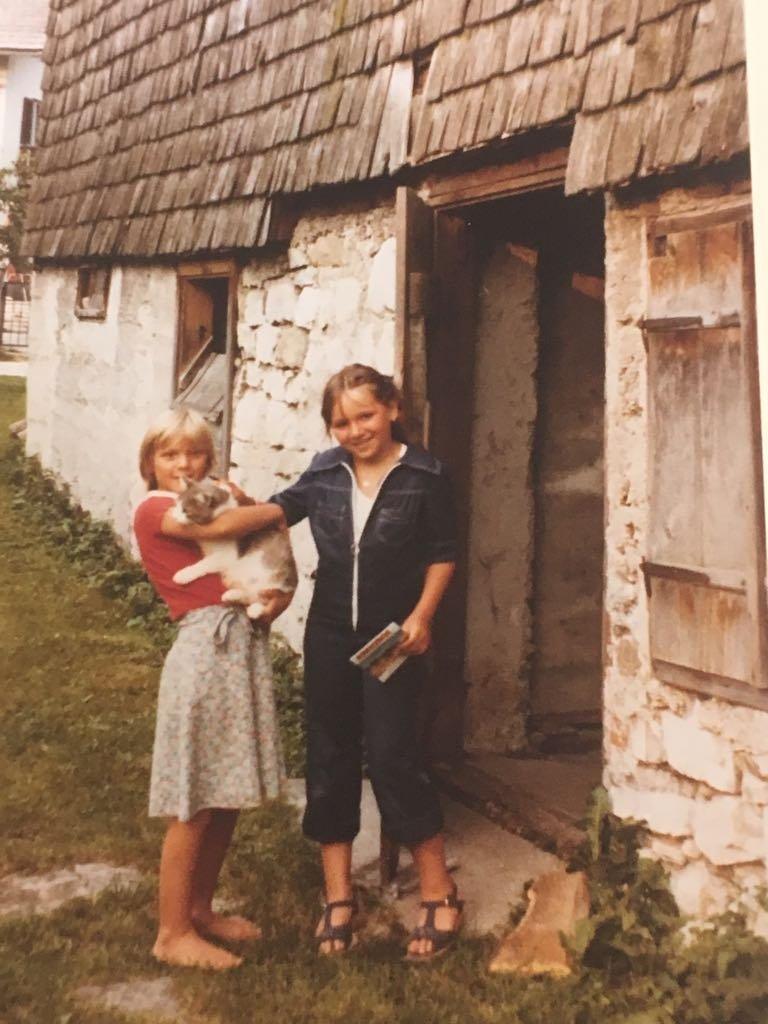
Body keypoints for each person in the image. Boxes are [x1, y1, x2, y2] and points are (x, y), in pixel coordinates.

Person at [269, 364, 463, 962]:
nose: (355, 430)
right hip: (328, 633)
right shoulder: (325, 471)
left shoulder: (425, 475)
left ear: (393, 408)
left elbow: (442, 552)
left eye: (366, 416)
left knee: (392, 754)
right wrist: (213, 512)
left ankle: (438, 891)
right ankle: (338, 896)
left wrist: (423, 616)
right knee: (329, 753)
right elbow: (278, 511)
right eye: (341, 422)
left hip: (392, 638)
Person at [133, 407, 290, 970]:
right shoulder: (154, 508)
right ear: (150, 464)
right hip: (203, 651)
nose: (183, 464)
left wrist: (274, 599)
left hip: (239, 641)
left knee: (224, 795)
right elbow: (224, 527)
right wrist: (284, 506)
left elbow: (259, 539)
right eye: (169, 454)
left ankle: (200, 909)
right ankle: (171, 932)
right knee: (195, 798)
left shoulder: (213, 490)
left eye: (195, 453)